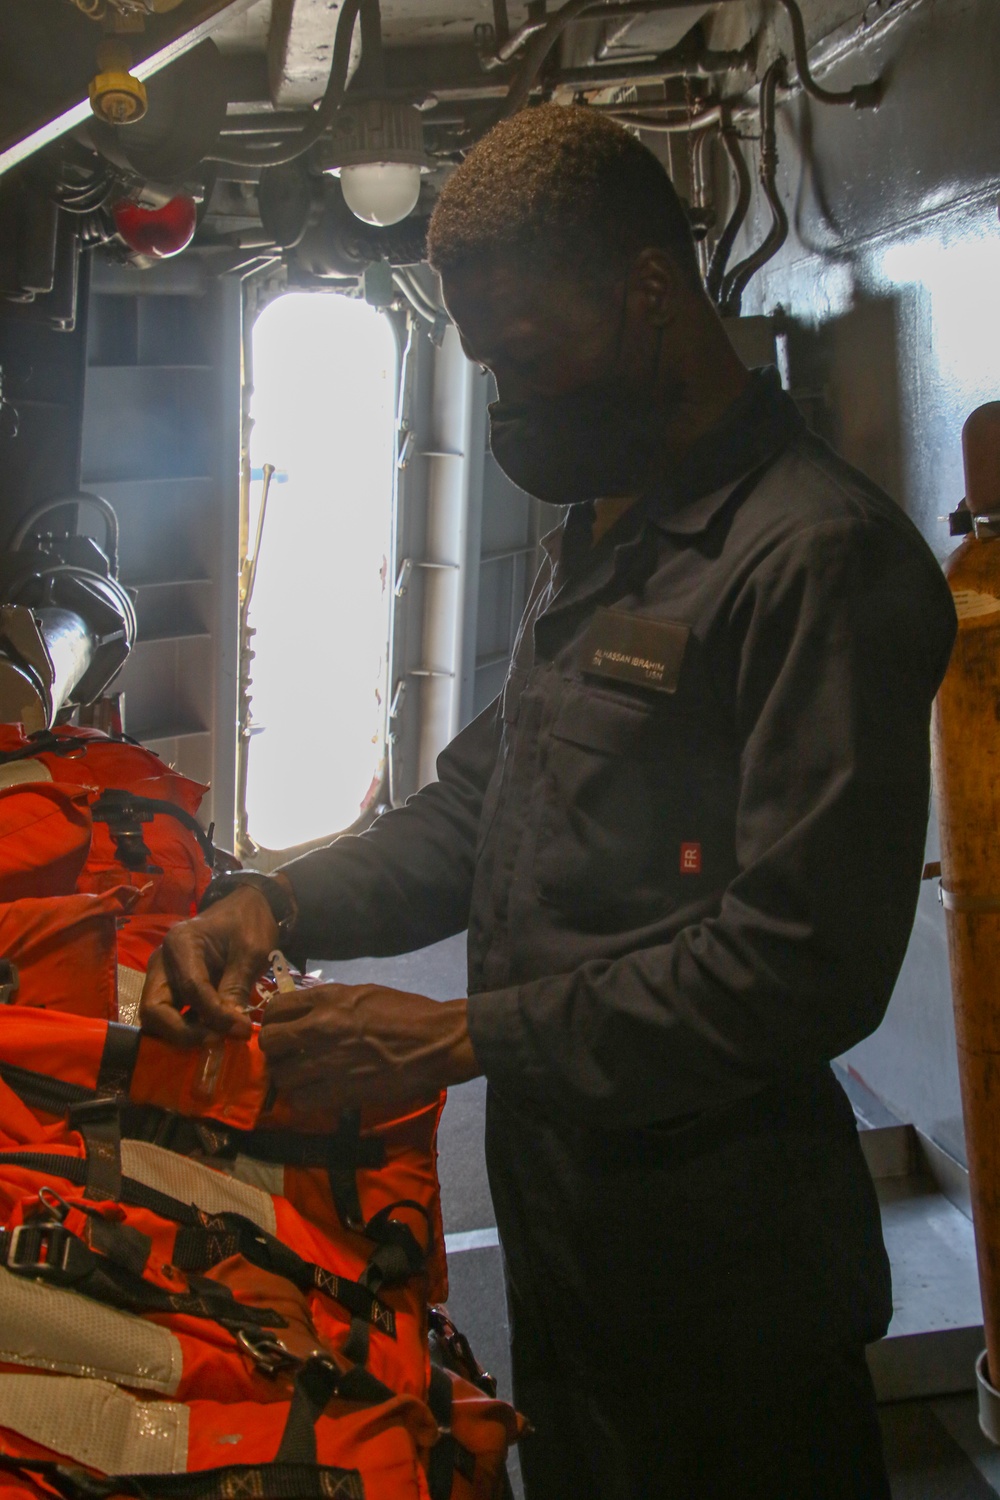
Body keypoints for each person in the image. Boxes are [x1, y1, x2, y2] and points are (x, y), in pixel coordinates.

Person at [141, 106, 957, 1497]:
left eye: (526, 354)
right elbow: (482, 807)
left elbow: (805, 968)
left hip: (731, 1264)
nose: (512, 403)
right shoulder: (614, 524)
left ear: (649, 292)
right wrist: (271, 899)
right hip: (575, 1229)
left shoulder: (818, 557)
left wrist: (458, 1039)